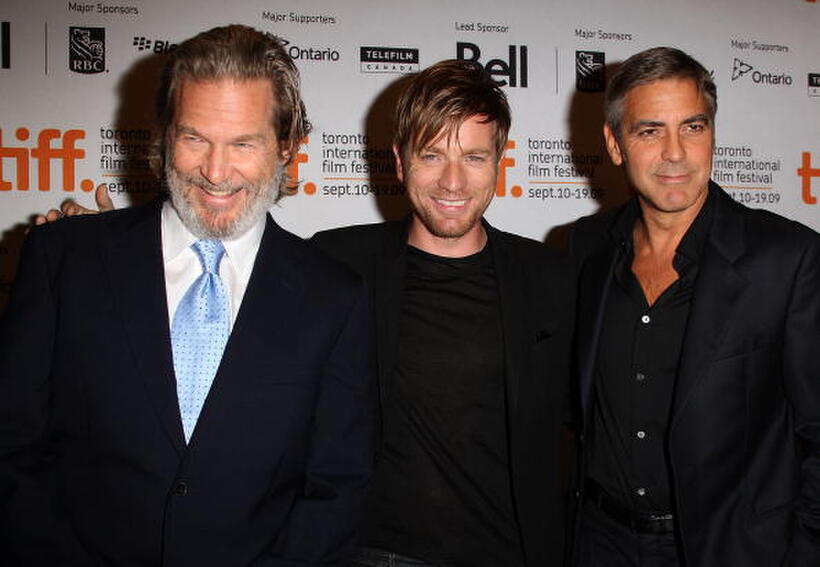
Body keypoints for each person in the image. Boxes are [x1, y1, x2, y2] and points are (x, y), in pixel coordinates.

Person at [0, 24, 375, 566]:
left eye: (243, 143)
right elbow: (12, 446)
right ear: (163, 134)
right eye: (194, 137)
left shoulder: (334, 297)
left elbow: (337, 487)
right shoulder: (65, 259)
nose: (215, 173)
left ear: (287, 147)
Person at [312, 60, 574, 567]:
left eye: (474, 157)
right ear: (400, 161)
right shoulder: (337, 263)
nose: (453, 181)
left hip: (510, 552)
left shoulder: (551, 278)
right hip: (375, 553)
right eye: (431, 154)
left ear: (500, 160)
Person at [570, 46, 820, 566]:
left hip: (727, 549)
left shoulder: (786, 258)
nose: (676, 152)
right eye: (649, 130)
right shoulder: (584, 248)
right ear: (615, 145)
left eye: (693, 126)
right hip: (598, 542)